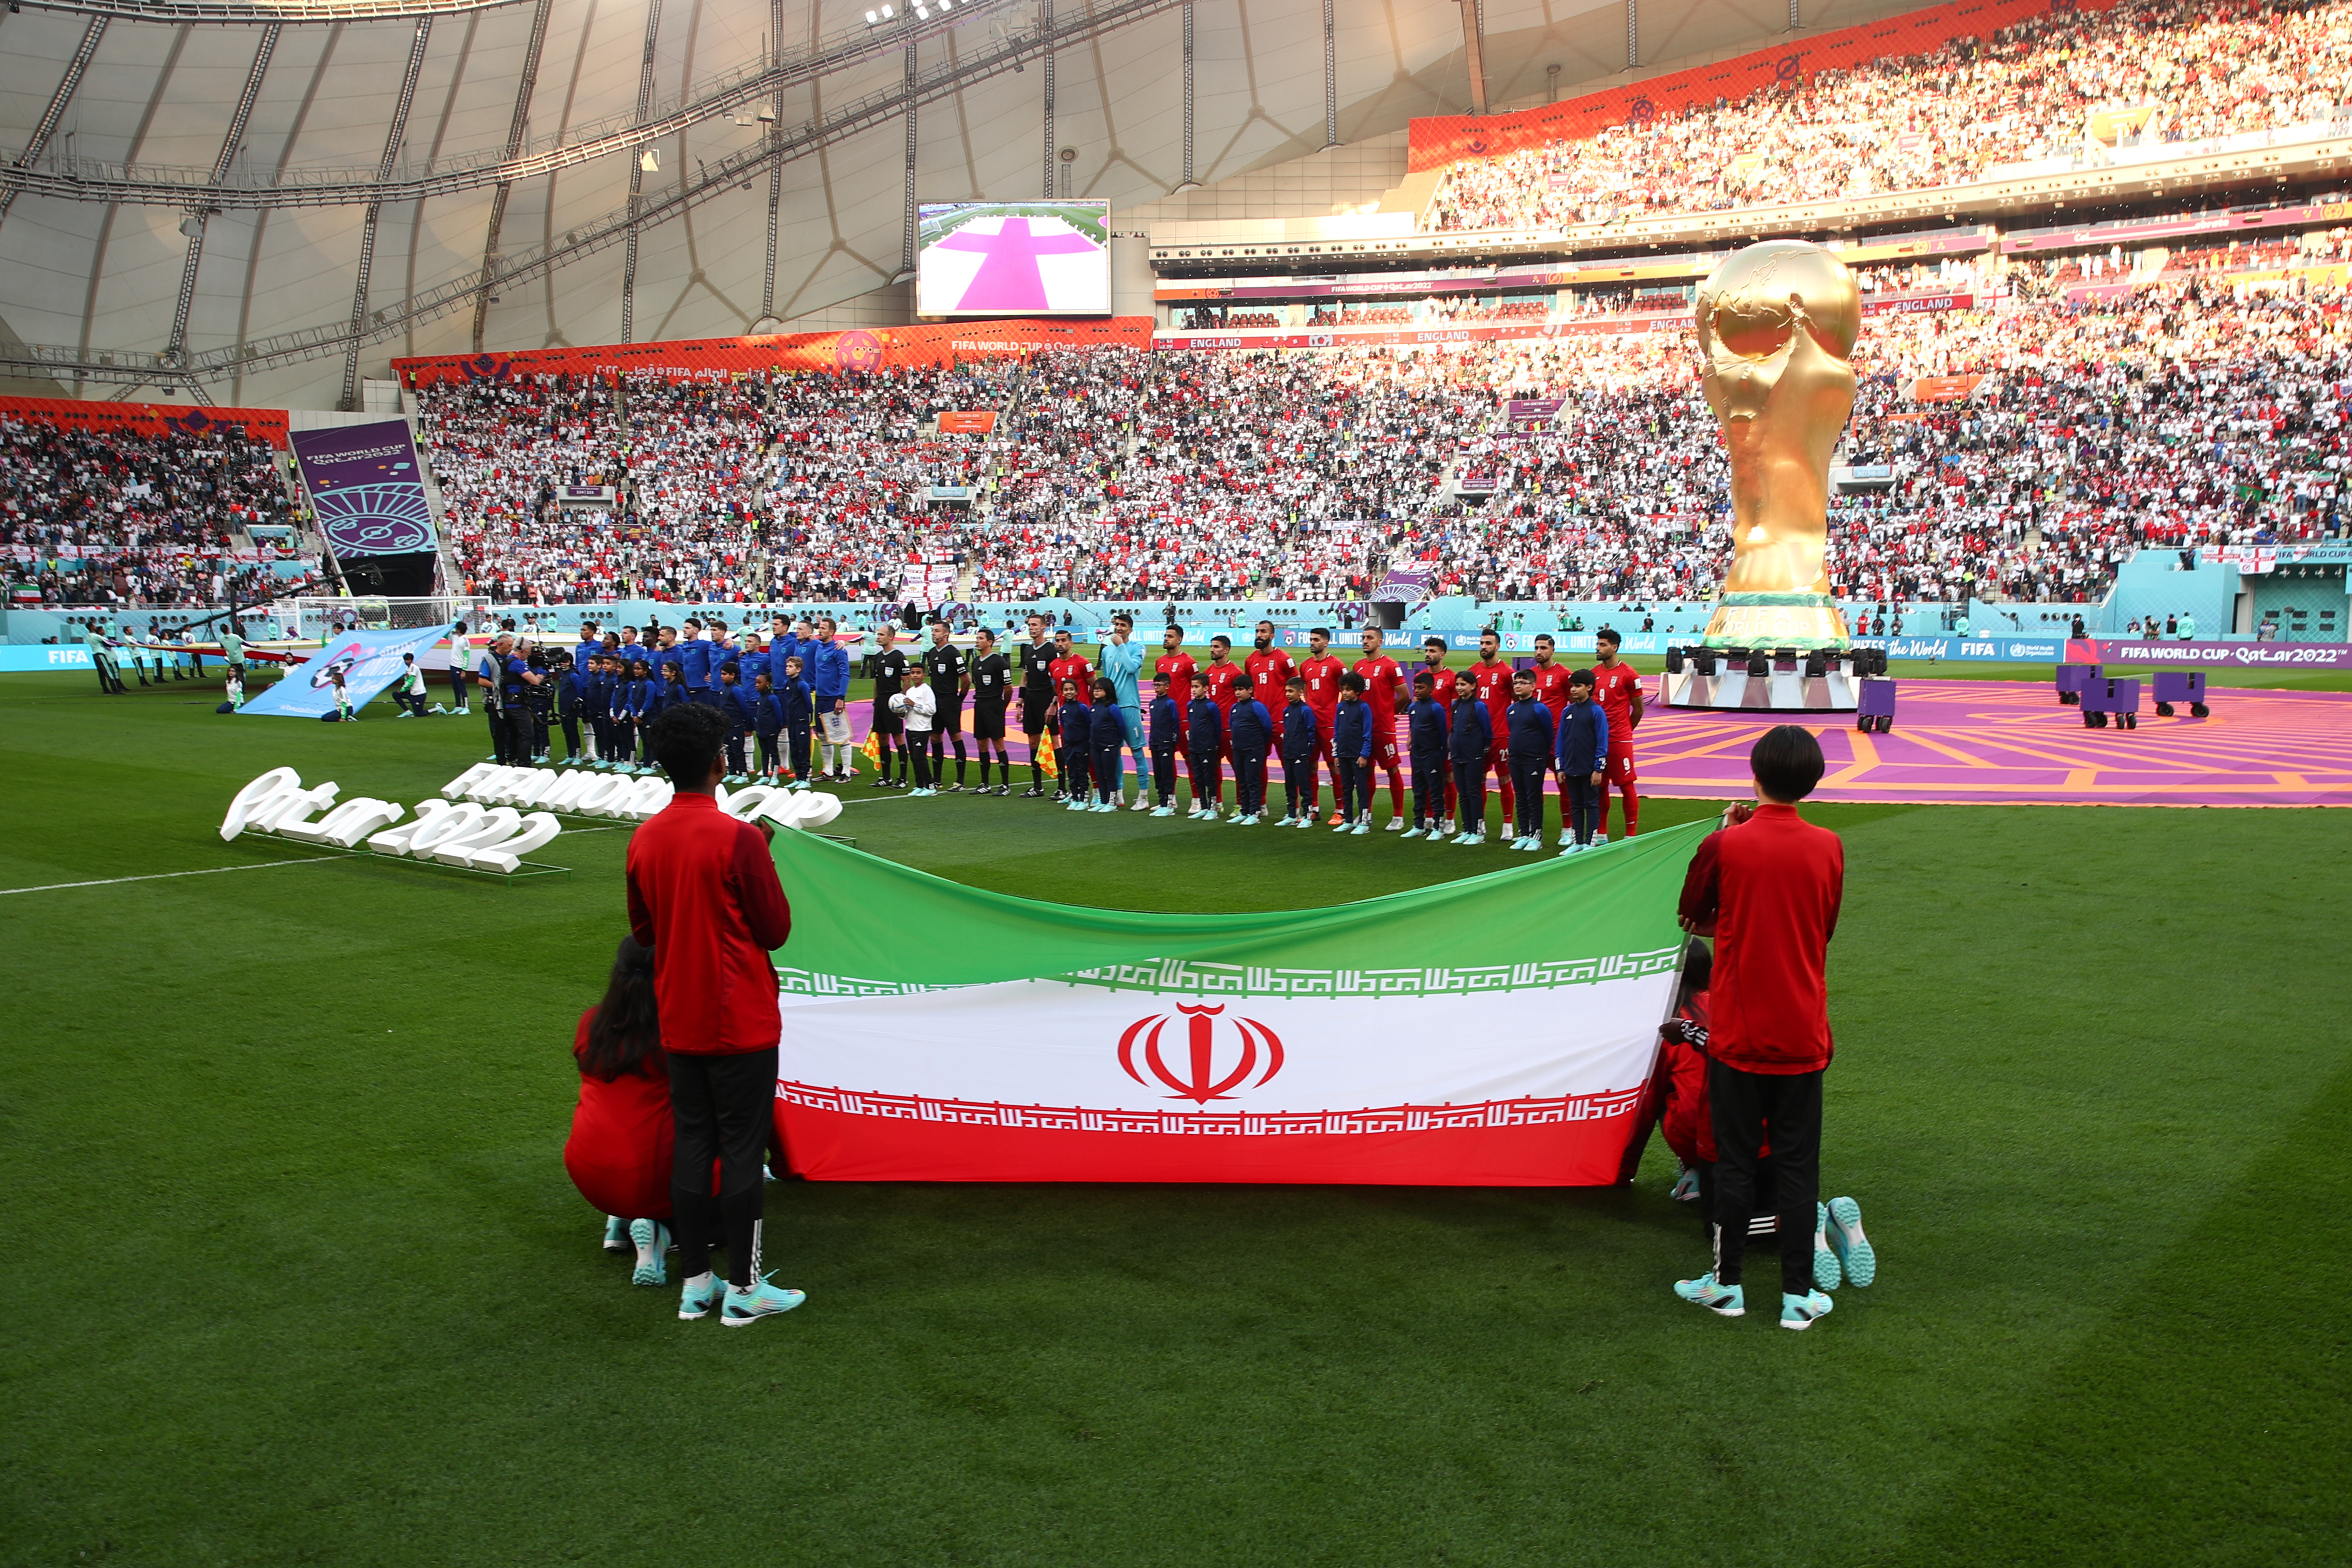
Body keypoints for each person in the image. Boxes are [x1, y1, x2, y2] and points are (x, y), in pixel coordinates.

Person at [626, 702, 803, 1327]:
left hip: (680, 1014)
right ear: (719, 761)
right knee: (743, 1147)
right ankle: (745, 1286)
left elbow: (643, 933)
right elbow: (776, 929)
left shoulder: (645, 837)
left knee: (695, 1142)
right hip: (741, 1018)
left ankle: (696, 1282)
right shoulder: (739, 836)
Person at [1672, 725, 1844, 1331]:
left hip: (1739, 1032)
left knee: (1735, 1162)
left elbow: (1692, 915)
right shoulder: (1828, 845)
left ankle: (1727, 1285)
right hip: (1802, 1029)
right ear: (1814, 780)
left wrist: (1726, 832)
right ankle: (1797, 1295)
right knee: (1799, 1165)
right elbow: (1822, 927)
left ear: (1754, 773)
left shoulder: (1731, 845)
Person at [565, 935, 677, 1288]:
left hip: (586, 1167)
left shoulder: (591, 1022)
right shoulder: (675, 1030)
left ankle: (620, 1219)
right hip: (648, 1174)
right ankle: (658, 1232)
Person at [1590, 628, 1645, 841]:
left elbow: (1639, 709)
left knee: (1626, 784)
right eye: (1598, 644)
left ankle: (1630, 834)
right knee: (1600, 786)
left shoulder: (1629, 675)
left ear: (1614, 647)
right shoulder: (1593, 674)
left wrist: (1625, 732)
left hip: (1619, 739)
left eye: (1603, 645)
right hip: (1597, 740)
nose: (1598, 648)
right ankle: (1601, 833)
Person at [1353, 627, 1409, 830]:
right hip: (1362, 730)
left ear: (1380, 641)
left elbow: (1404, 695)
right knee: (1365, 770)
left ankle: (1398, 816)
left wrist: (1388, 712)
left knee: (1392, 769)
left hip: (1383, 729)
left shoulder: (1390, 666)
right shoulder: (1358, 667)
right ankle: (1366, 813)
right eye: (1364, 638)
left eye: (1370, 638)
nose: (1365, 641)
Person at [1466, 628, 1518, 828]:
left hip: (1501, 735)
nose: (1484, 647)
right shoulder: (1473, 672)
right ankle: (1480, 823)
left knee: (1504, 778)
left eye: (1488, 643)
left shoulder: (1507, 673)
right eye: (1482, 643)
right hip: (1477, 737)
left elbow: (1516, 702)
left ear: (1497, 646)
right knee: (1478, 779)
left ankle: (1508, 824)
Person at [1554, 668, 1609, 855]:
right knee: (1575, 804)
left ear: (1589, 687)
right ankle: (1577, 842)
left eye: (1578, 686)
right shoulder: (1567, 711)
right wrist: (1560, 767)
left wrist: (1598, 769)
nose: (1573, 690)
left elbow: (1602, 742)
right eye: (1572, 686)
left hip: (1588, 768)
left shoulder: (1596, 711)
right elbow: (1561, 740)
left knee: (1591, 804)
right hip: (1571, 767)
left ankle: (1590, 842)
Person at [1099, 612, 1149, 810]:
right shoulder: (1106, 651)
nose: (1118, 628)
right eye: (1116, 624)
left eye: (1122, 625)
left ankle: (1143, 797)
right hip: (1112, 708)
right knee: (1114, 752)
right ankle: (1118, 794)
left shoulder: (1137, 647)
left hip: (1129, 705)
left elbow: (1130, 668)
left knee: (1137, 751)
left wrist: (1121, 646)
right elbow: (1106, 680)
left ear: (1130, 629)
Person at [1298, 627, 1346, 824]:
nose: (1312, 642)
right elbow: (1306, 690)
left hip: (1330, 724)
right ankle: (1313, 808)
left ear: (1326, 643)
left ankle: (1340, 810)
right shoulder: (1305, 666)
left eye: (1316, 640)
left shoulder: (1336, 666)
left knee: (1334, 766)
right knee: (1310, 765)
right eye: (1311, 639)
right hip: (1311, 724)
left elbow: (1346, 689)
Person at [1503, 669, 1555, 852]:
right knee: (1521, 797)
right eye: (1516, 682)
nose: (1518, 686)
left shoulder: (1539, 709)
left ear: (1533, 686)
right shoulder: (1512, 709)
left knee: (1534, 797)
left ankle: (1536, 835)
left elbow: (1548, 734)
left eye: (1523, 682)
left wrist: (1539, 754)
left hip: (1534, 760)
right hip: (1516, 760)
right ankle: (1524, 833)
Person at [921, 619, 970, 791]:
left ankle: (960, 781)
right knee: (935, 738)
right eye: (933, 631)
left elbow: (966, 680)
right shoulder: (932, 653)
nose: (933, 633)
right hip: (935, 702)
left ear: (946, 633)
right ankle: (937, 780)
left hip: (950, 701)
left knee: (956, 737)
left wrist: (959, 699)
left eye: (937, 631)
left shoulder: (953, 653)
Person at [1048, 630, 1094, 803]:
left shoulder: (1082, 663)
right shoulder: (1053, 666)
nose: (1060, 643)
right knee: (1070, 756)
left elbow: (1094, 687)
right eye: (1057, 641)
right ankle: (1075, 792)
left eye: (1063, 640)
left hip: (1082, 717)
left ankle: (1091, 792)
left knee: (1086, 757)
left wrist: (1090, 710)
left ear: (1071, 643)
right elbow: (1056, 689)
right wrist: (1055, 704)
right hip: (1066, 717)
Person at [1015, 613, 1058, 798]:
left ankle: (1062, 786)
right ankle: (1037, 786)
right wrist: (1020, 702)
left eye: (1035, 625)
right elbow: (1025, 677)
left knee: (1054, 741)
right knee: (1033, 742)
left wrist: (1054, 702)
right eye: (1029, 625)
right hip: (1031, 700)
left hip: (1047, 699)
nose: (1031, 628)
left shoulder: (1050, 650)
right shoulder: (1027, 650)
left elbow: (1057, 679)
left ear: (1043, 627)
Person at [1447, 675, 1494, 845]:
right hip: (1458, 755)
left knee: (1474, 792)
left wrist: (1481, 751)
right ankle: (1467, 829)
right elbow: (1453, 729)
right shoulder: (1456, 705)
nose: (1459, 688)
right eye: (1457, 684)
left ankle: (1478, 831)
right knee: (1464, 793)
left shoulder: (1479, 707)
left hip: (1473, 755)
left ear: (1473, 686)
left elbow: (1487, 732)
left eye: (1463, 684)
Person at [1403, 668, 1449, 839]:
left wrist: (1442, 756)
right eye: (1415, 687)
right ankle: (1418, 825)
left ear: (1431, 688)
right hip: (1416, 754)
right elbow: (1412, 728)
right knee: (1418, 790)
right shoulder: (1413, 707)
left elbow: (1442, 733)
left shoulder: (1436, 708)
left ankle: (1438, 826)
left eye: (1421, 688)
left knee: (1436, 791)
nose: (1417, 691)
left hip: (1432, 754)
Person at [968, 626, 1013, 795]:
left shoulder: (999, 662)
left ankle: (1005, 785)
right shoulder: (977, 661)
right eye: (977, 638)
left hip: (994, 705)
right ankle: (985, 783)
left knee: (998, 743)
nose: (977, 641)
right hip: (980, 705)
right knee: (981, 744)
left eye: (980, 638)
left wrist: (1002, 707)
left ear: (990, 642)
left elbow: (1008, 689)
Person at [1225, 671, 1273, 825]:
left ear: (1250, 690)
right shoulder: (1235, 708)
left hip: (1254, 749)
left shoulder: (1257, 706)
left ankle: (1255, 812)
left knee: (1253, 781)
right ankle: (1244, 811)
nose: (1238, 693)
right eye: (1236, 690)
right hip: (1239, 750)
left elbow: (1267, 727)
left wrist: (1258, 743)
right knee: (1242, 781)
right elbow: (1232, 725)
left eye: (1241, 689)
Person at [1332, 672, 1375, 834]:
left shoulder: (1364, 708)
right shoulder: (1340, 707)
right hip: (1343, 753)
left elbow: (1367, 733)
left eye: (1349, 689)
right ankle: (1348, 820)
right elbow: (1337, 731)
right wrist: (1336, 754)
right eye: (1343, 689)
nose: (1345, 692)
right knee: (1346, 788)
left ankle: (1364, 822)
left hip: (1358, 755)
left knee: (1362, 789)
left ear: (1357, 690)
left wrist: (1364, 754)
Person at [810, 619, 853, 781]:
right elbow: (800, 636)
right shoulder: (818, 647)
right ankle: (828, 771)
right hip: (820, 697)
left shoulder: (838, 650)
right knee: (821, 734)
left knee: (841, 735)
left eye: (823, 628)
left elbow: (845, 674)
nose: (819, 631)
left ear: (831, 632)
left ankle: (846, 772)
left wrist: (841, 697)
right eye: (819, 628)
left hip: (833, 698)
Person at [1277, 677, 1321, 827]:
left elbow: (1311, 733)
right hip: (1288, 752)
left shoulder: (1305, 710)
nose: (1288, 694)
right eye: (1286, 692)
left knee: (1304, 786)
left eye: (1291, 691)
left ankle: (1308, 816)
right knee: (1289, 785)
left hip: (1300, 754)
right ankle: (1292, 814)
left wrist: (1306, 752)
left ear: (1300, 692)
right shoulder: (1287, 710)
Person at [869, 625, 909, 788]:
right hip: (881, 703)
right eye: (877, 635)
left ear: (891, 637)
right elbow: (877, 682)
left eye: (881, 635)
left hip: (894, 702)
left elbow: (906, 680)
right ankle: (886, 777)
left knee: (898, 737)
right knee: (882, 737)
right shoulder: (877, 657)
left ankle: (903, 778)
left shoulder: (899, 657)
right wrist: (875, 700)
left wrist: (903, 702)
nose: (878, 637)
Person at [894, 663, 938, 796]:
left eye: (918, 673)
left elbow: (931, 710)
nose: (915, 675)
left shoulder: (927, 690)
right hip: (910, 728)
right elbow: (909, 711)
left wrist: (915, 704)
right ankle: (920, 785)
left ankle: (930, 786)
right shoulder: (910, 691)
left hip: (922, 729)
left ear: (924, 675)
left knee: (920, 757)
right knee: (914, 757)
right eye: (913, 673)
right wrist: (902, 714)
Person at [1184, 675, 1224, 819]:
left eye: (1197, 687)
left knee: (1209, 778)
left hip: (1207, 748)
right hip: (1194, 747)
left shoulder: (1210, 706)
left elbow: (1217, 727)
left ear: (1206, 688)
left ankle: (1213, 808)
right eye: (1192, 687)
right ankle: (1204, 806)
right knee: (1198, 778)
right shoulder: (1191, 705)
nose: (1193, 690)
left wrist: (1213, 745)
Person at [1146, 671, 1182, 816]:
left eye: (1158, 685)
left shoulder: (1170, 703)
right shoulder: (1153, 703)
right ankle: (1162, 801)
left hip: (1166, 742)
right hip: (1155, 742)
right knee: (1158, 773)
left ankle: (1168, 804)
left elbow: (1175, 724)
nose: (1156, 688)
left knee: (1167, 773)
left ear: (1167, 687)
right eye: (1154, 685)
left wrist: (1173, 742)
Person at [1056, 678, 1095, 812]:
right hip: (1069, 744)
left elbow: (1088, 724)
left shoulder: (1082, 707)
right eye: (1066, 690)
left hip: (1082, 744)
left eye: (1071, 689)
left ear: (1077, 691)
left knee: (1082, 771)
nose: (1069, 692)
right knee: (1072, 771)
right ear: (1062, 692)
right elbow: (1064, 724)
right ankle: (1075, 797)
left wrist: (1087, 741)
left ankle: (1084, 798)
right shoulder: (1063, 709)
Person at [714, 662, 754, 782]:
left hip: (736, 725)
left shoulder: (736, 690)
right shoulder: (724, 688)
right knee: (729, 750)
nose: (722, 676)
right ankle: (732, 772)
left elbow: (744, 707)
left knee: (738, 750)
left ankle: (743, 774)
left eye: (725, 674)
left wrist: (747, 724)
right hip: (727, 726)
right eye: (721, 674)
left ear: (732, 675)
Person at [393, 653, 431, 718]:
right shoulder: (408, 669)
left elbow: (411, 681)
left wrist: (403, 690)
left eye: (408, 660)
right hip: (412, 693)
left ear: (412, 660)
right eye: (405, 660)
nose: (406, 662)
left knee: (419, 714)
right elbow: (407, 681)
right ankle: (407, 711)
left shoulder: (414, 668)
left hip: (419, 694)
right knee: (395, 694)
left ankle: (437, 708)